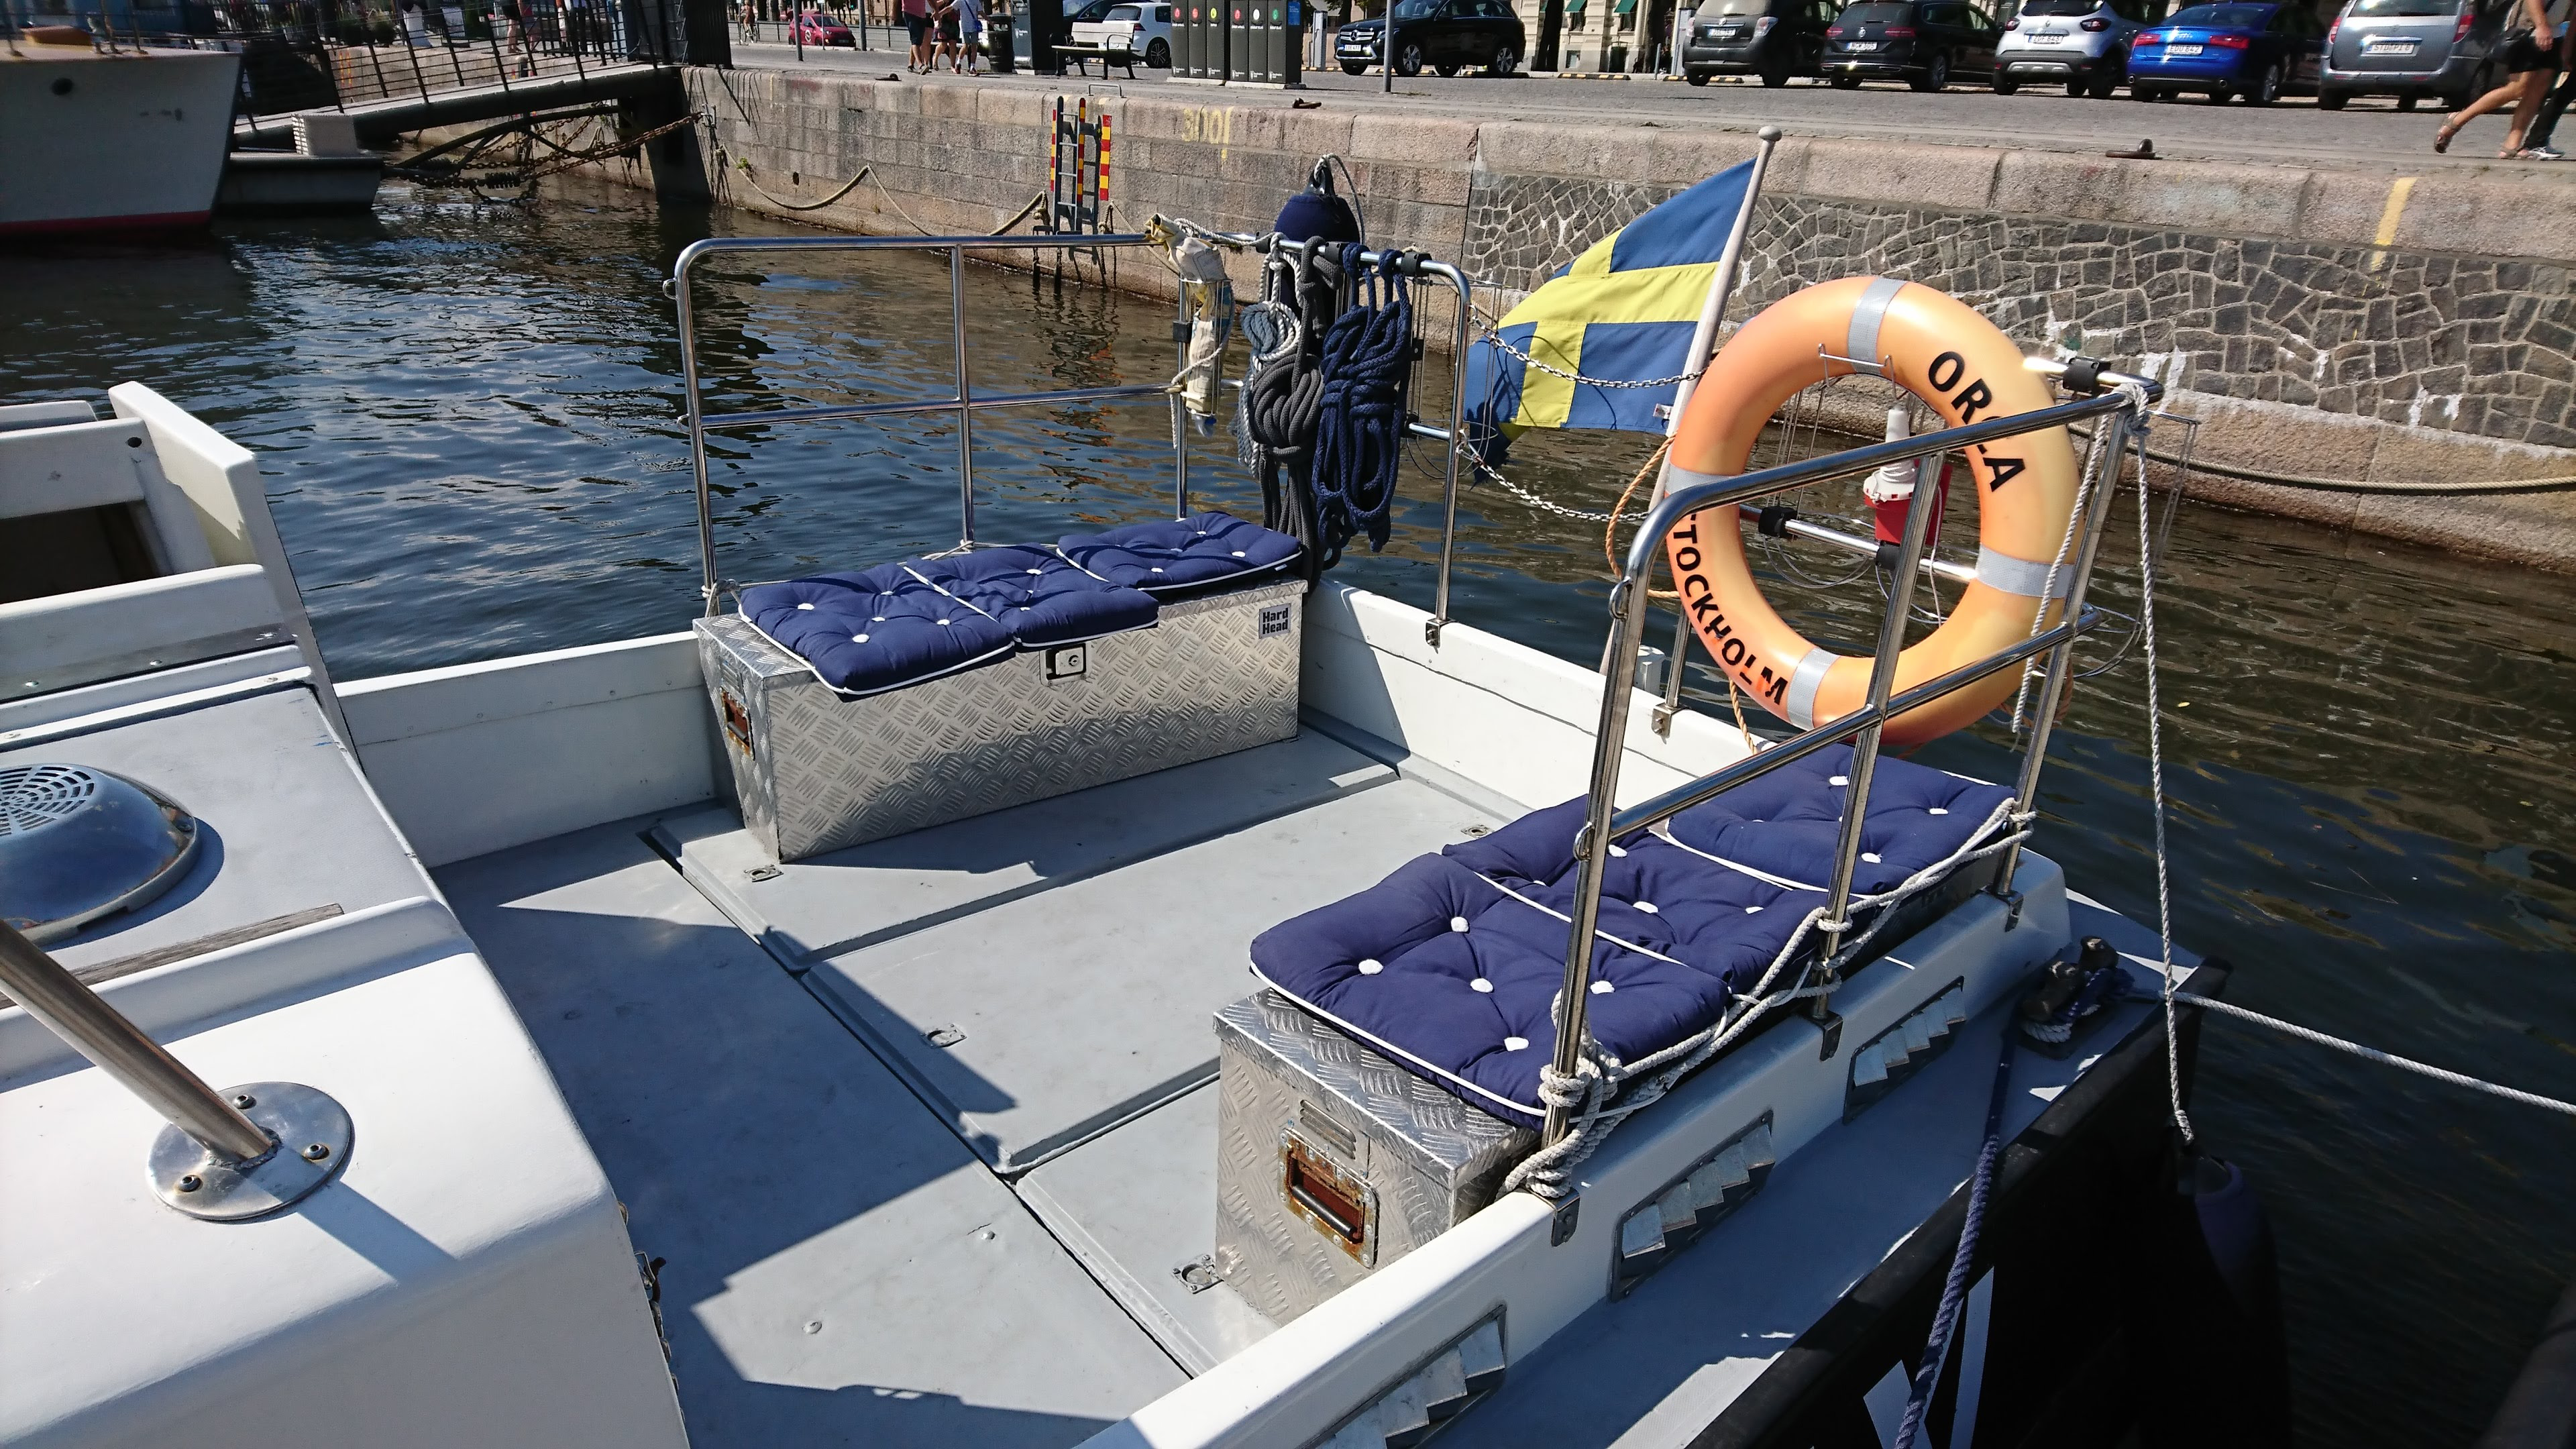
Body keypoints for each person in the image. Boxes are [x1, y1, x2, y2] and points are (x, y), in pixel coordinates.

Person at [2435, 0, 2561, 157]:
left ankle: (2511, 145)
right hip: (2529, 29)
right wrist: (2542, 26)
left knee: (2537, 91)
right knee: (2517, 88)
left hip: (2556, 34)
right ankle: (2457, 120)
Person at [2514, 0, 2572, 158]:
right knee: (2519, 89)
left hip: (2554, 36)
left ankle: (2535, 142)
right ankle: (2534, 142)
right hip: (2535, 35)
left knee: (2565, 93)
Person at [953, 0, 984, 70]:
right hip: (965, 28)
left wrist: (990, 21)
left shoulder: (976, 1)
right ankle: (958, 63)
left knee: (974, 46)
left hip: (974, 27)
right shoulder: (960, 1)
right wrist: (939, 13)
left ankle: (972, 67)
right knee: (966, 45)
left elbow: (981, 12)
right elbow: (951, 7)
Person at [901, 0, 933, 68]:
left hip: (923, 14)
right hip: (909, 12)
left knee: (918, 41)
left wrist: (936, 11)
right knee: (916, 39)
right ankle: (921, 65)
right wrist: (894, 11)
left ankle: (911, 65)